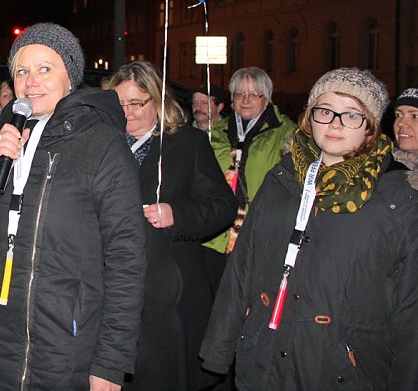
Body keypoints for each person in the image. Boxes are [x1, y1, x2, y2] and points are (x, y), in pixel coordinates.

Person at [0, 23, 146, 391]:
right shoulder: (3, 137)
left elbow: (126, 260)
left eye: (45, 69)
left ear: (70, 78)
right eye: (22, 71)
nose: (31, 81)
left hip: (64, 347)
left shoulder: (103, 145)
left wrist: (111, 362)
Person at [200, 68, 418, 388]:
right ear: (310, 116)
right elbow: (242, 267)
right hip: (264, 359)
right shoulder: (282, 179)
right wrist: (219, 347)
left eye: (351, 115)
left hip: (341, 369)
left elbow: (410, 308)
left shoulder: (397, 199)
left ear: (370, 125)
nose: (335, 124)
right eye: (325, 111)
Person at [106, 61, 236, 390]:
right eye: (120, 104)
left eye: (136, 103)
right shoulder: (105, 145)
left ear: (158, 101)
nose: (127, 112)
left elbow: (222, 205)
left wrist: (177, 214)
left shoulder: (187, 143)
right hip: (113, 289)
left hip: (167, 292)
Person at [202, 67, 296, 296]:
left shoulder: (285, 132)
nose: (245, 100)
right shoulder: (216, 132)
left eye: (254, 94)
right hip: (215, 235)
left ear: (267, 98)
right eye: (239, 94)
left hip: (258, 234)